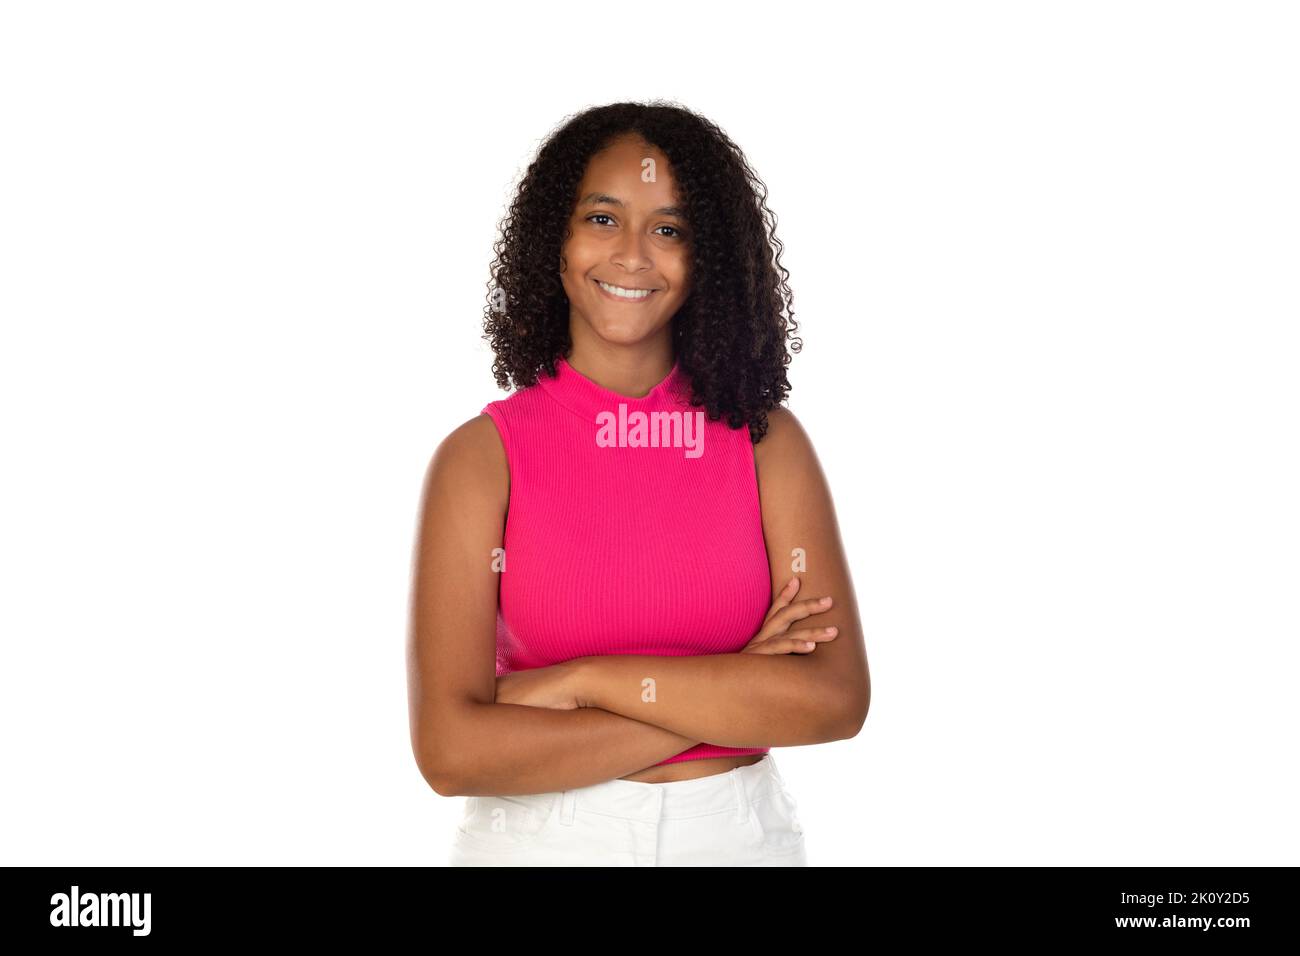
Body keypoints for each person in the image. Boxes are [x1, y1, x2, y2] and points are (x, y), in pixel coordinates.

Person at [407, 101, 870, 865]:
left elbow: (834, 699)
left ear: (707, 257)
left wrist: (581, 682)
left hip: (734, 840)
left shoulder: (765, 442)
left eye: (669, 229)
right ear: (554, 241)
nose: (631, 256)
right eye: (601, 218)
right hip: (540, 842)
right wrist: (740, 687)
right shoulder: (481, 457)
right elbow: (451, 752)